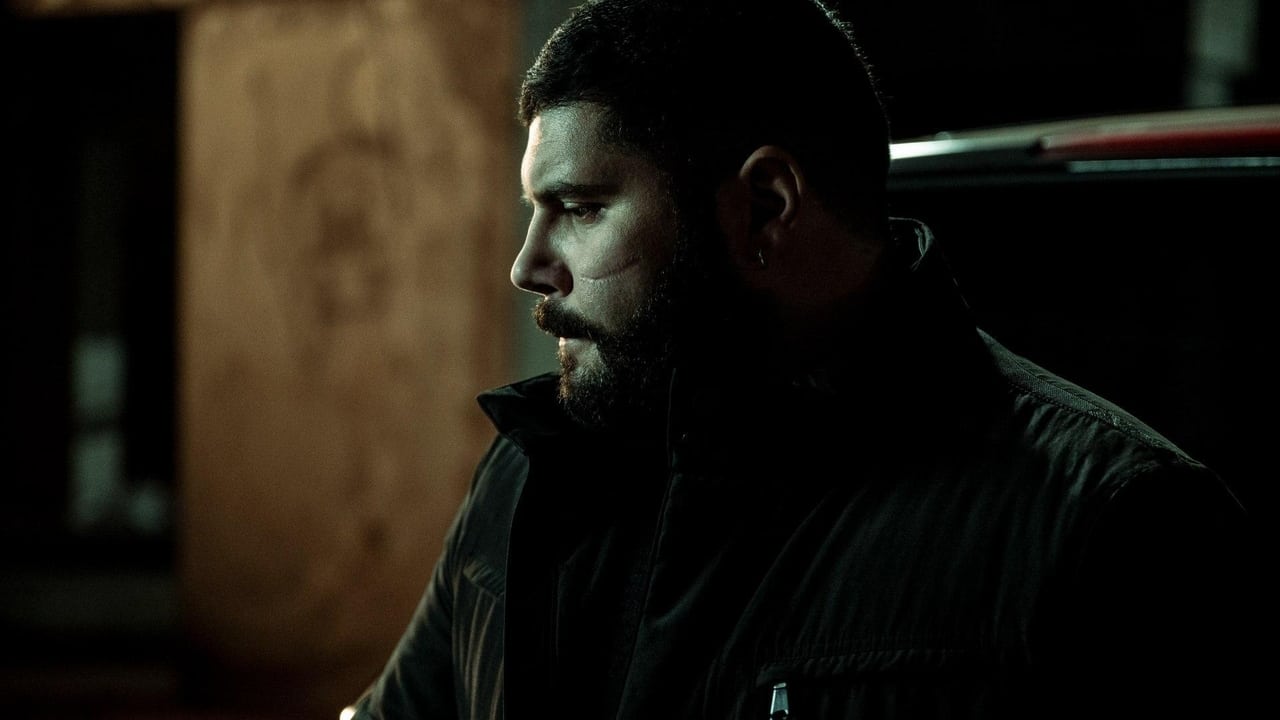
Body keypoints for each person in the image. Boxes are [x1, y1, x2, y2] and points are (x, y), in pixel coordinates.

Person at [348, 1, 1261, 718]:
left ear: (766, 206)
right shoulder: (533, 472)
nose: (527, 266)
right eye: (534, 210)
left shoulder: (1112, 528)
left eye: (581, 208)